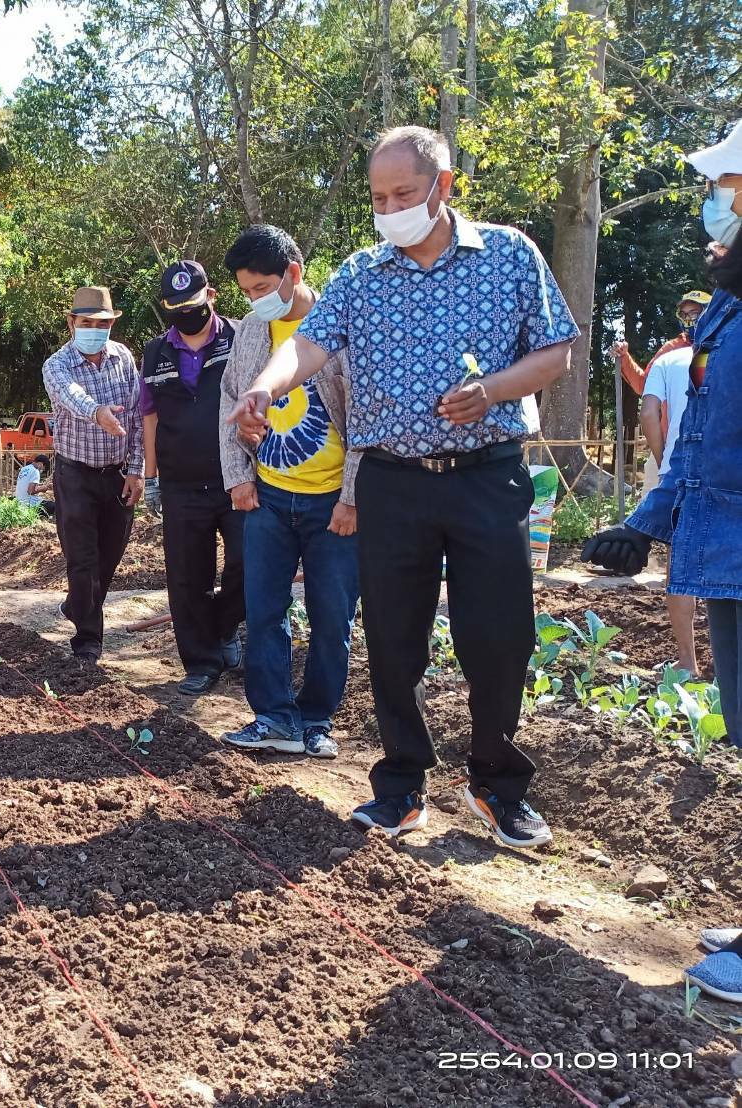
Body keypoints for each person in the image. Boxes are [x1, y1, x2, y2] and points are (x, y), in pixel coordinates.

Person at [230, 126, 578, 849]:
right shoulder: (361, 274)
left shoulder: (510, 254)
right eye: (377, 197)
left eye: (402, 194)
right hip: (392, 482)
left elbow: (556, 350)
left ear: (442, 186)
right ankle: (400, 787)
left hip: (487, 476)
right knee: (393, 639)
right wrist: (263, 388)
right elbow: (308, 342)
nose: (388, 209)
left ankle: (496, 787)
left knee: (497, 637)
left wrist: (490, 390)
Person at [582, 119, 742, 1006]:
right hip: (725, 547)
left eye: (730, 187)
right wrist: (642, 523)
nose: (716, 204)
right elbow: (698, 445)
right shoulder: (725, 306)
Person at [218, 226, 361, 756]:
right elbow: (230, 399)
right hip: (269, 499)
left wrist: (352, 497)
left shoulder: (339, 331)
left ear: (293, 275)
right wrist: (238, 476)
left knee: (332, 616)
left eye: (260, 289)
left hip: (333, 506)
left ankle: (317, 720)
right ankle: (274, 717)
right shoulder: (254, 335)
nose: (254, 302)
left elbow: (366, 420)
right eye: (247, 292)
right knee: (264, 610)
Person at [141, 260, 243, 695]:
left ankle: (224, 627)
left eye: (193, 304)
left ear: (212, 297)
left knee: (247, 565)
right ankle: (201, 661)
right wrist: (151, 478)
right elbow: (149, 417)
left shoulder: (240, 339)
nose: (186, 314)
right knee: (187, 577)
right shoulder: (154, 353)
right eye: (175, 307)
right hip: (181, 482)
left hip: (237, 477)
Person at [42, 286, 145, 663]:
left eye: (102, 323)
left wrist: (137, 471)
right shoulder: (56, 364)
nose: (94, 329)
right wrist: (98, 411)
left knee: (109, 557)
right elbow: (71, 395)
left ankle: (78, 604)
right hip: (75, 475)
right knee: (82, 558)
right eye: (86, 322)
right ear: (71, 323)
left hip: (117, 475)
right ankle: (88, 640)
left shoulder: (123, 358)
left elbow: (135, 418)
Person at [641, 342, 704, 675]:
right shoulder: (729, 350)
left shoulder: (667, 360)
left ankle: (687, 662)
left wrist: (663, 457)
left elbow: (649, 413)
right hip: (729, 471)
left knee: (679, 571)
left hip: (682, 473)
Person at [612, 289, 711, 402]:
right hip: (675, 420)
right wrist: (624, 357)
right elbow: (643, 385)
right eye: (684, 315)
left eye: (693, 313)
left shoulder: (724, 345)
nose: (688, 319)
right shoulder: (671, 349)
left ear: (708, 312)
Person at [15, 453, 55, 519]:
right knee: (54, 506)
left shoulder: (24, 469)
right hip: (29, 504)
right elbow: (30, 491)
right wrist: (44, 488)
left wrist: (43, 486)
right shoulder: (35, 471)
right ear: (41, 463)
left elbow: (27, 486)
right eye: (43, 468)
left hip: (19, 502)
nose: (41, 470)